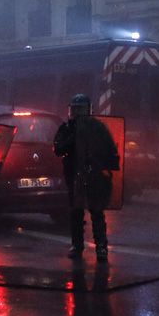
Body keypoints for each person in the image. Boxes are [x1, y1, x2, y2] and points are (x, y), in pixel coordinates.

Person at [53, 94, 120, 262]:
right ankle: (77, 245)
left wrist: (101, 166)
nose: (77, 113)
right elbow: (58, 148)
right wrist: (73, 137)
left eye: (81, 110)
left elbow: (111, 150)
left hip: (94, 176)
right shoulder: (67, 128)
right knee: (76, 212)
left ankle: (101, 247)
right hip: (74, 175)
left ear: (89, 110)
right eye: (75, 110)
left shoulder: (98, 128)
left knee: (97, 212)